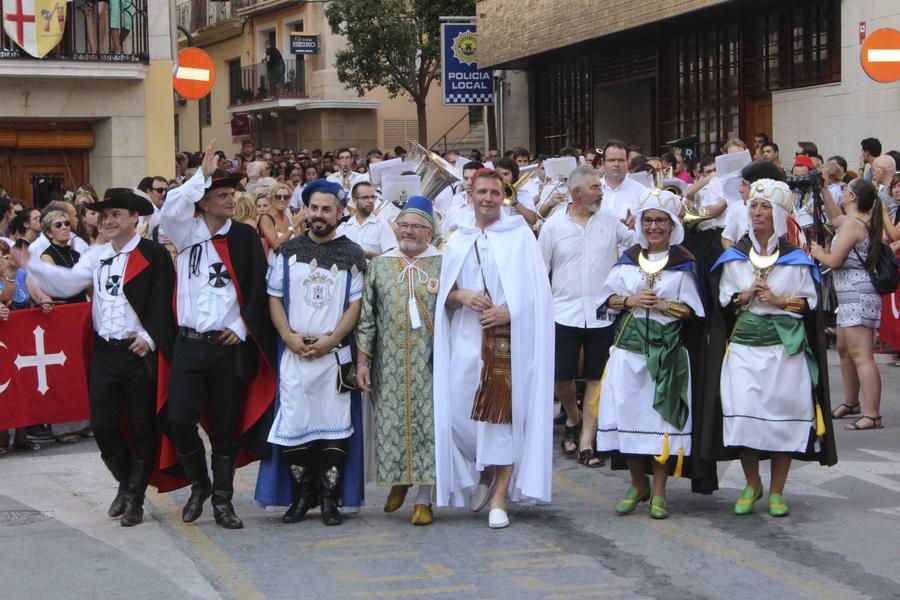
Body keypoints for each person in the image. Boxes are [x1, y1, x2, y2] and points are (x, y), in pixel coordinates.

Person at [15, 189, 176, 525]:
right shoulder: (97, 254)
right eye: (105, 216)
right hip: (106, 350)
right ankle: (127, 482)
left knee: (142, 426)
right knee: (103, 425)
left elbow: (167, 301)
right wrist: (32, 266)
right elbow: (69, 282)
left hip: (139, 353)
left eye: (116, 214)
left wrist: (149, 338)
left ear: (135, 218)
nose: (108, 221)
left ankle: (134, 496)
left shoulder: (153, 254)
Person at [158, 139, 276, 530]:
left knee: (226, 427)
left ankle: (223, 501)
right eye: (221, 194)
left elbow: (257, 290)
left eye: (231, 193)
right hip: (190, 344)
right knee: (179, 418)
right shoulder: (185, 230)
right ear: (204, 201)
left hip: (227, 348)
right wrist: (199, 177)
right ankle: (199, 482)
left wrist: (241, 328)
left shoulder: (244, 237)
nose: (230, 199)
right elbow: (171, 207)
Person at [704, 179, 836, 517]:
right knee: (743, 414)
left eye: (765, 207)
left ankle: (777, 490)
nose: (757, 212)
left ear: (777, 214)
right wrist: (745, 295)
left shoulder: (796, 259)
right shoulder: (734, 257)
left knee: (782, 419)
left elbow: (809, 304)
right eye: (753, 206)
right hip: (745, 347)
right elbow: (723, 302)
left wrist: (778, 300)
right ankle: (752, 483)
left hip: (784, 350)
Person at [433, 169, 553, 529]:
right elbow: (445, 295)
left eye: (495, 192)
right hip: (467, 340)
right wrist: (460, 294)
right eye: (481, 192)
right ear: (470, 195)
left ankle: (500, 493)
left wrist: (511, 310)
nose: (488, 198)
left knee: (502, 417)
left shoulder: (520, 236)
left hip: (510, 341)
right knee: (459, 414)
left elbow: (540, 294)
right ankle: (483, 471)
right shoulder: (458, 238)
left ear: (504, 196)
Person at [594, 189, 716, 519]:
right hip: (628, 351)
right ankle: (637, 483)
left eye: (660, 220)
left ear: (672, 224)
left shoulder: (684, 264)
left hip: (667, 354)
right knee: (624, 417)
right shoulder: (628, 260)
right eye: (647, 220)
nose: (653, 227)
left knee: (661, 424)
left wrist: (663, 305)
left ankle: (659, 491)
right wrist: (629, 301)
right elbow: (605, 301)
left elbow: (695, 311)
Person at [254, 179, 367, 526]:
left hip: (333, 356)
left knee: (334, 424)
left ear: (340, 212)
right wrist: (288, 336)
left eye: (326, 209)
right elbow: (273, 298)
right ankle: (303, 495)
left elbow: (355, 304)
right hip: (295, 352)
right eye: (313, 208)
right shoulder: (287, 252)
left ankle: (330, 498)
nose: (318, 215)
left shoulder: (353, 254)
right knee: (295, 423)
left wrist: (333, 340)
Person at [538, 166, 634, 467]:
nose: (601, 192)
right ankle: (573, 416)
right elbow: (541, 271)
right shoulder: (553, 227)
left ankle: (586, 441)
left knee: (596, 377)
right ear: (577, 192)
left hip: (602, 312)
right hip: (563, 311)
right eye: (595, 187)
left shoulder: (610, 222)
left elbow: (635, 243)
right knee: (561, 378)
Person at [356, 197, 442, 526]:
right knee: (392, 426)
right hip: (388, 364)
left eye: (416, 226)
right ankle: (400, 479)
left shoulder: (442, 264)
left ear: (429, 232)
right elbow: (367, 318)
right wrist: (363, 362)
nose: (408, 231)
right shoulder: (380, 265)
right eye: (403, 225)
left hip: (429, 363)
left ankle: (424, 499)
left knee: (427, 427)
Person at [810, 179, 884, 430]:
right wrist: (820, 189)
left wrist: (818, 252)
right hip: (849, 295)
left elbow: (834, 260)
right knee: (844, 349)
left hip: (858, 294)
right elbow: (833, 218)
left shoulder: (853, 224)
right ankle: (852, 402)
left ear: (852, 196)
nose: (840, 194)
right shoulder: (854, 220)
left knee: (862, 355)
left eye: (844, 191)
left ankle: (872, 413)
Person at [337, 182, 397, 260]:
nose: (370, 200)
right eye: (365, 197)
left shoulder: (382, 225)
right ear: (354, 201)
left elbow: (390, 258)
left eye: (373, 197)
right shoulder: (344, 228)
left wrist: (364, 253)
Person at [600, 140, 645, 222]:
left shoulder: (641, 191)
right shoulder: (591, 189)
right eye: (611, 160)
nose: (616, 164)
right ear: (603, 163)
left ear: (627, 162)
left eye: (621, 160)